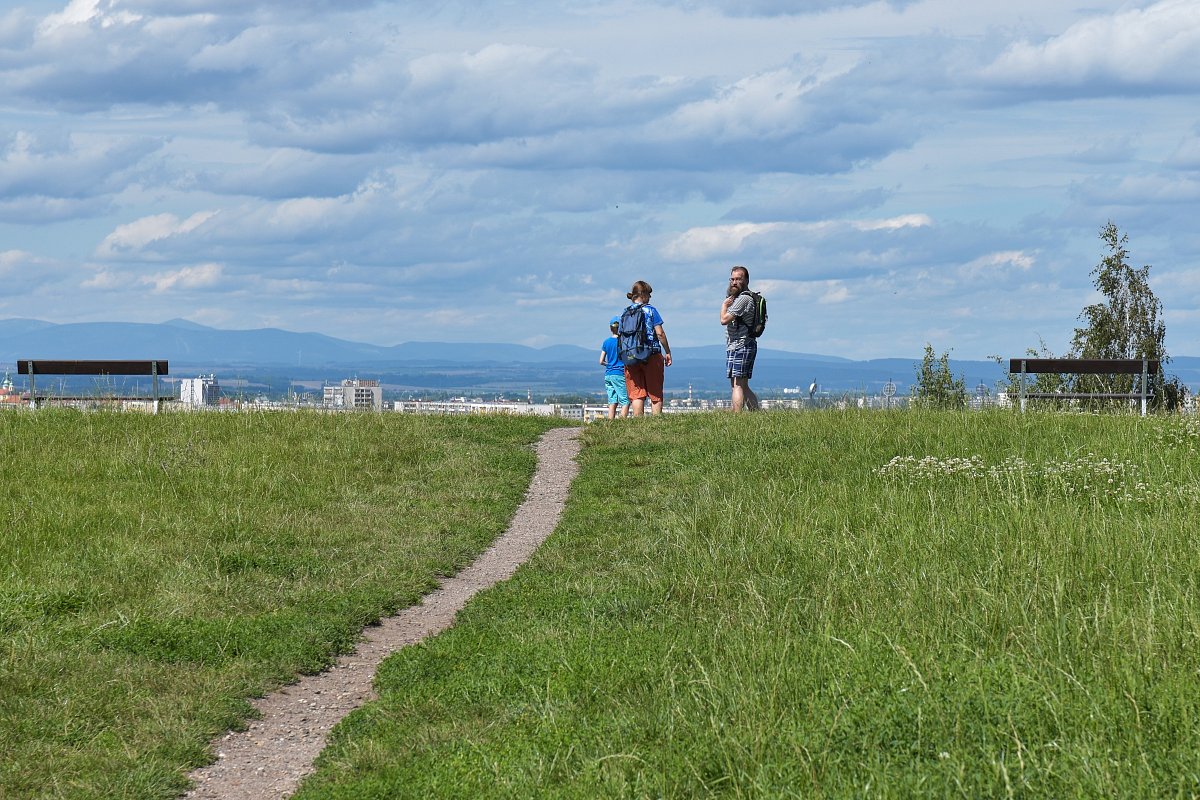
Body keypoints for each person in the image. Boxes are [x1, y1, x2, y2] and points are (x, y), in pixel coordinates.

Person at [622, 280, 672, 416]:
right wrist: (668, 351)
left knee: (636, 394)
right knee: (655, 392)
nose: (650, 297)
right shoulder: (651, 310)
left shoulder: (626, 312)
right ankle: (656, 422)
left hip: (630, 356)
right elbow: (660, 333)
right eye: (649, 294)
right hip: (651, 354)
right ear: (643, 295)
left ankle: (639, 423)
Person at [720, 265, 760, 412]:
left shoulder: (744, 299)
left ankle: (737, 416)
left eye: (738, 279)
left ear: (746, 280)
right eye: (732, 279)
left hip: (741, 345)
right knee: (742, 385)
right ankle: (755, 412)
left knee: (737, 385)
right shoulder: (743, 298)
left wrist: (724, 305)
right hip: (740, 344)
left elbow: (724, 319)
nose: (734, 282)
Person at [599, 316, 631, 419]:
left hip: (608, 374)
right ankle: (621, 423)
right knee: (625, 401)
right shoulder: (623, 342)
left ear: (610, 328)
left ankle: (610, 423)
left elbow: (601, 361)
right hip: (620, 374)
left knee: (612, 401)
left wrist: (609, 364)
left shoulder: (606, 342)